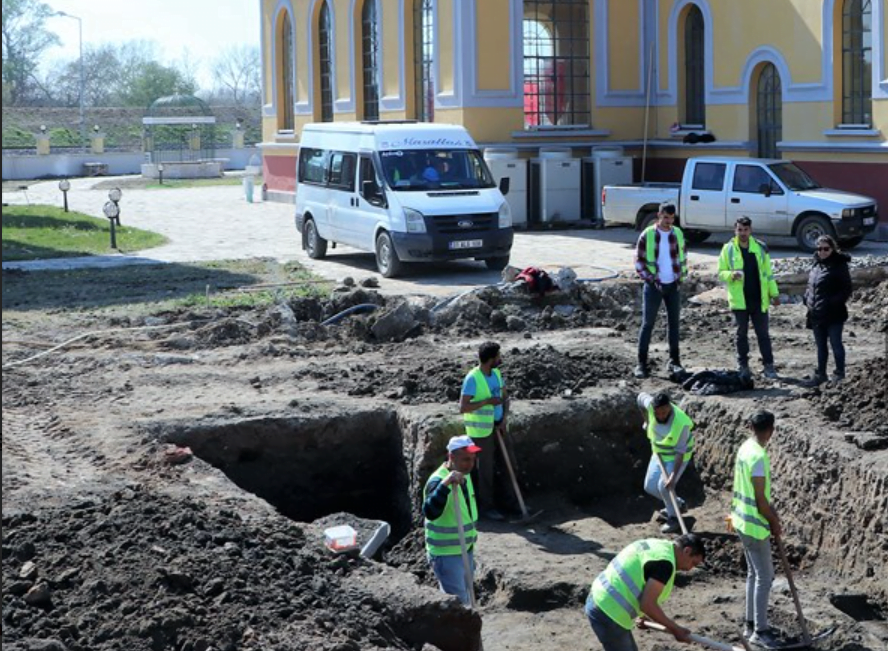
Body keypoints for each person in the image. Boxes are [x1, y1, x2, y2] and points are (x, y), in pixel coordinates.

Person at [585, 533, 706, 651]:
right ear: (687, 551)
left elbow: (637, 577)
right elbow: (648, 605)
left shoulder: (657, 546)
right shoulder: (664, 564)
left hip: (599, 597)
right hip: (609, 612)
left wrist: (643, 616)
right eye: (693, 563)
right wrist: (676, 629)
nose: (690, 568)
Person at [730, 410, 783, 649]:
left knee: (753, 573)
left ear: (751, 427)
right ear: (770, 430)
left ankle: (750, 624)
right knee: (765, 576)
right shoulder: (759, 457)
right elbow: (761, 500)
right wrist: (774, 522)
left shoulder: (745, 448)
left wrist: (772, 512)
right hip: (754, 524)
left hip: (741, 520)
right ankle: (760, 631)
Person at [422, 435, 481, 606]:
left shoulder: (465, 475)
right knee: (459, 604)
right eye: (465, 460)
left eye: (472, 459)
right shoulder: (438, 480)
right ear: (451, 457)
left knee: (466, 598)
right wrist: (445, 485)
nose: (470, 464)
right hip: (446, 554)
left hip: (465, 548)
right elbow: (430, 511)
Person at [718, 217, 780, 379]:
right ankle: (743, 366)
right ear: (735, 230)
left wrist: (774, 294)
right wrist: (732, 275)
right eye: (739, 230)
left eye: (745, 230)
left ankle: (769, 366)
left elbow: (768, 274)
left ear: (750, 230)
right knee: (741, 334)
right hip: (740, 301)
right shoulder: (728, 249)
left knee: (763, 335)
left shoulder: (760, 248)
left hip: (759, 300)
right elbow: (720, 272)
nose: (742, 233)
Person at [634, 202, 688, 379]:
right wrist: (651, 279)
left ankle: (675, 361)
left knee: (674, 324)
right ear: (659, 215)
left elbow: (683, 257)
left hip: (673, 285)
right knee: (648, 323)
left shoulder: (677, 233)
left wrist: (681, 277)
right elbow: (639, 262)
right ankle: (641, 363)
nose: (668, 221)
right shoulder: (648, 235)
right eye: (665, 217)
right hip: (654, 286)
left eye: (671, 218)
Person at [459, 341, 508, 521]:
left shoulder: (496, 373)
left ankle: (510, 503)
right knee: (485, 471)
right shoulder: (473, 378)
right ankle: (486, 508)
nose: (500, 359)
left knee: (507, 465)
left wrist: (504, 419)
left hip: (498, 427)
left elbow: (505, 397)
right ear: (490, 359)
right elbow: (463, 407)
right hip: (480, 433)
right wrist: (487, 402)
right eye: (498, 356)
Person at [638, 391, 694, 534]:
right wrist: (646, 420)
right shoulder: (651, 405)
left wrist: (672, 476)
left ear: (669, 407)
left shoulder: (681, 423)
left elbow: (680, 453)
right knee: (649, 486)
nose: (661, 416)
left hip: (677, 457)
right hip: (659, 453)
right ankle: (678, 504)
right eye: (658, 413)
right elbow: (640, 398)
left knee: (664, 487)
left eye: (664, 412)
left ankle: (674, 518)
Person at [803, 235, 852, 385]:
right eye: (819, 249)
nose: (822, 252)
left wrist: (831, 303)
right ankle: (821, 374)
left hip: (834, 314)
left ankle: (839, 374)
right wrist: (807, 299)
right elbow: (811, 286)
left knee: (836, 344)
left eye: (826, 249)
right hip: (816, 314)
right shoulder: (816, 265)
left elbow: (846, 290)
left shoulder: (839, 266)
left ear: (833, 249)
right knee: (821, 347)